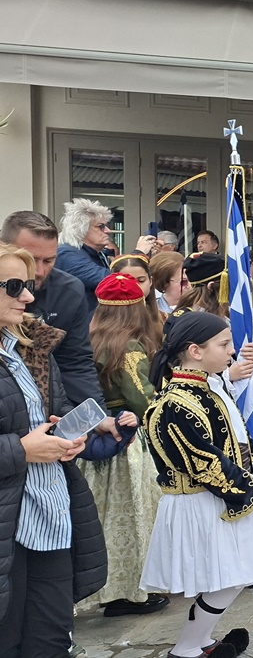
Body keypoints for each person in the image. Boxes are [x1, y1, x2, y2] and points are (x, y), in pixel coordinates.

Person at [141, 311, 253, 658]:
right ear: (195, 351)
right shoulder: (175, 403)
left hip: (222, 497)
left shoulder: (210, 388)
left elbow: (237, 440)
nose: (232, 351)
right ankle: (186, 649)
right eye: (224, 345)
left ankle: (199, 640)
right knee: (231, 576)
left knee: (233, 575)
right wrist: (249, 488)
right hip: (202, 502)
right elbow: (203, 462)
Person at [0, 243, 106, 657]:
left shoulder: (29, 347)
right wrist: (21, 450)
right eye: (14, 286)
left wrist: (67, 438)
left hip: (48, 512)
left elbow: (51, 410)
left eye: (27, 285)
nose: (28, 296)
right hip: (10, 523)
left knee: (51, 640)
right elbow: (22, 442)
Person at [77, 272, 167, 616]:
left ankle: (108, 589)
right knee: (131, 517)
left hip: (97, 440)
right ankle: (130, 592)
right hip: (127, 441)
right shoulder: (128, 347)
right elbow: (141, 397)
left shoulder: (90, 340)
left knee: (104, 519)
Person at [0, 211, 108, 407]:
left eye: (49, 261)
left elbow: (75, 362)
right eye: (30, 259)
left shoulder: (69, 291)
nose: (39, 271)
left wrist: (93, 415)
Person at [57, 198, 155, 308]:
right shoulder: (66, 254)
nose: (108, 231)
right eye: (101, 226)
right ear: (80, 228)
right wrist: (139, 253)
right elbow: (114, 281)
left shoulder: (97, 253)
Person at [149, 250, 187, 316]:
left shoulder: (201, 309)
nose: (189, 285)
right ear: (164, 284)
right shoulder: (151, 313)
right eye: (183, 282)